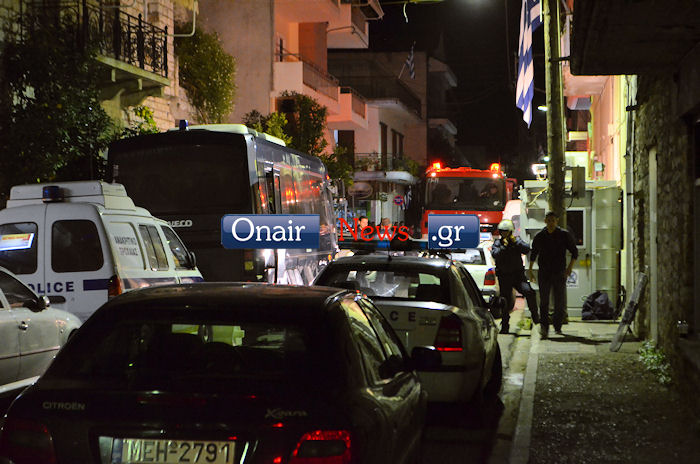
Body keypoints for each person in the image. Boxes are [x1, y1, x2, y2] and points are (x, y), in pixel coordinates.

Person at [528, 211, 579, 339]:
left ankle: (557, 325)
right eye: (549, 220)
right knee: (544, 301)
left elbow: (574, 252)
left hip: (559, 272)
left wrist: (569, 268)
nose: (551, 223)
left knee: (559, 300)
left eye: (553, 220)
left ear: (557, 221)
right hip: (544, 272)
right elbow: (533, 254)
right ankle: (544, 327)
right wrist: (530, 271)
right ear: (545, 221)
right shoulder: (540, 236)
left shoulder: (564, 235)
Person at [491, 219, 539, 334]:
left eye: (506, 231)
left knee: (529, 292)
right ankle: (505, 325)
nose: (504, 233)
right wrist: (504, 247)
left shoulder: (516, 241)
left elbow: (526, 249)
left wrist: (515, 243)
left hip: (518, 276)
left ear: (511, 231)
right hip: (504, 277)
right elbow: (495, 254)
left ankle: (536, 318)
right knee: (505, 301)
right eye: (502, 231)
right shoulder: (498, 243)